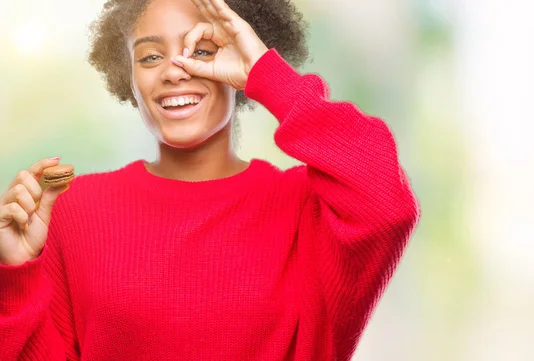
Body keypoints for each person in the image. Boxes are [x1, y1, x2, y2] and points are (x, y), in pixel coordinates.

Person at [0, 0, 420, 359]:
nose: (174, 71)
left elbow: (387, 204)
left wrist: (265, 74)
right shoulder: (76, 210)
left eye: (200, 50)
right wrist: (17, 273)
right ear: (127, 75)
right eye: (149, 57)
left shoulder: (302, 208)